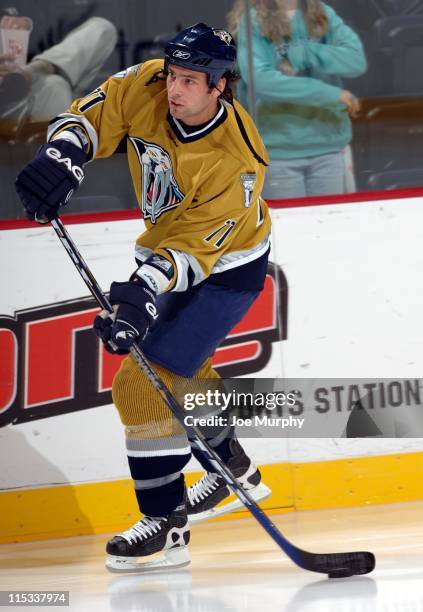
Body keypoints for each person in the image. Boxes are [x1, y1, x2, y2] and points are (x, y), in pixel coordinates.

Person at [14, 23, 272, 572]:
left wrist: (143, 292)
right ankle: (235, 469)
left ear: (219, 86)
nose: (173, 89)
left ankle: (165, 525)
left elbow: (193, 253)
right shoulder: (149, 84)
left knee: (140, 386)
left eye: (189, 81)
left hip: (223, 272)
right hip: (165, 253)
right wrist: (62, 157)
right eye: (173, 74)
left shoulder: (237, 160)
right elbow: (90, 117)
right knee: (186, 374)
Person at [228, 0, 367, 199]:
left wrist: (307, 53)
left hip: (327, 147)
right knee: (286, 226)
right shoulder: (252, 22)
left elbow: (356, 61)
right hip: (277, 152)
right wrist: (329, 94)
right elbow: (261, 80)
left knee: (331, 223)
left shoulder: (322, 14)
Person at [0, 14, 117, 120]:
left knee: (103, 27)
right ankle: (34, 71)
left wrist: (26, 23)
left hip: (26, 85)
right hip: (7, 101)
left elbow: (60, 23)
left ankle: (35, 70)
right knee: (57, 85)